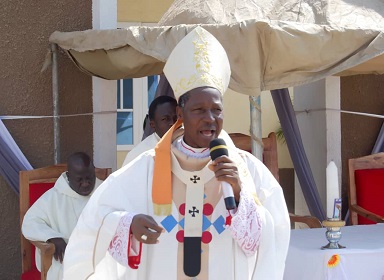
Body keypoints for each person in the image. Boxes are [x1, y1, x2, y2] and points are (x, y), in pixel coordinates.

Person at [63, 27, 290, 280]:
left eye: (216, 110)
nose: (210, 119)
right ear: (180, 115)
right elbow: (96, 220)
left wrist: (239, 196)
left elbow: (274, 234)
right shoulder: (145, 167)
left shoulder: (247, 170)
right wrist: (127, 225)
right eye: (199, 110)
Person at [22, 152, 103, 280]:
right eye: (80, 180)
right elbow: (30, 222)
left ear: (93, 171)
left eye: (89, 178)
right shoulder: (53, 198)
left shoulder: (106, 190)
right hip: (68, 262)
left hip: (102, 259)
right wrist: (52, 236)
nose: (86, 183)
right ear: (69, 177)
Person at [122, 95, 177, 166]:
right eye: (165, 119)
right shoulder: (138, 155)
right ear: (152, 124)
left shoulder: (186, 147)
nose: (173, 123)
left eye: (176, 118)